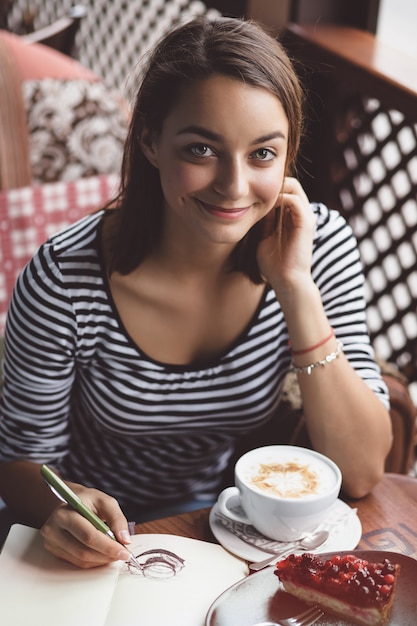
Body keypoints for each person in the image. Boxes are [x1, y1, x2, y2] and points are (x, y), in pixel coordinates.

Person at [0, 16, 392, 568]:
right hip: (92, 542)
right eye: (202, 150)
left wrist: (296, 287)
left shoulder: (316, 243)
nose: (234, 186)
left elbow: (362, 469)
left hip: (221, 530)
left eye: (262, 154)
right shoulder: (63, 278)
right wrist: (63, 508)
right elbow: (20, 464)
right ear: (151, 142)